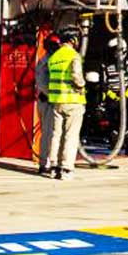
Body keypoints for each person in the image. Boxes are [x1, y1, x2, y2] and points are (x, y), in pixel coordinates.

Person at [42, 29, 87, 179]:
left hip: (57, 101)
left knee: (55, 135)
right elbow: (76, 76)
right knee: (71, 135)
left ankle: (53, 166)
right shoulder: (74, 55)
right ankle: (66, 168)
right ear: (73, 40)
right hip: (73, 101)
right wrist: (82, 85)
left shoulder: (54, 57)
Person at [33, 34, 57, 175]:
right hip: (48, 101)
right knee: (49, 133)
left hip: (49, 99)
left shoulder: (49, 59)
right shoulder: (46, 61)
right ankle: (46, 163)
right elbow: (42, 83)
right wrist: (52, 95)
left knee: (51, 133)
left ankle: (48, 162)